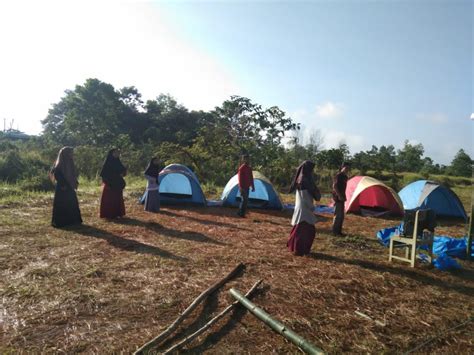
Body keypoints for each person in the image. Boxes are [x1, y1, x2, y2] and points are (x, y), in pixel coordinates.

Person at [287, 160, 321, 255]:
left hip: (303, 207)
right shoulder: (304, 180)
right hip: (304, 208)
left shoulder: (303, 179)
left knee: (301, 230)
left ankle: (297, 248)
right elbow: (304, 196)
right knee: (305, 231)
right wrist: (311, 207)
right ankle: (299, 250)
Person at [50, 147, 82, 228]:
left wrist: (75, 181)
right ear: (65, 154)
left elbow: (72, 174)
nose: (72, 154)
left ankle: (73, 220)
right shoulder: (59, 164)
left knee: (72, 203)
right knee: (62, 204)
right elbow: (57, 174)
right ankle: (62, 222)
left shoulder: (70, 162)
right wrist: (63, 185)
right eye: (70, 153)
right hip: (62, 187)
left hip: (69, 187)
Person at [99, 148, 127, 219]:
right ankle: (109, 214)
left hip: (118, 183)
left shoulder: (118, 162)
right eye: (115, 153)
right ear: (111, 154)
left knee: (117, 199)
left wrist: (123, 173)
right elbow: (103, 174)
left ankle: (117, 213)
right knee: (110, 200)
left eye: (118, 153)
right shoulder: (108, 163)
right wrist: (107, 183)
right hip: (109, 184)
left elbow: (123, 171)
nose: (117, 154)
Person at [332, 162, 350, 236]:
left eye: (348, 168)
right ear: (342, 167)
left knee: (341, 216)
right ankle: (335, 232)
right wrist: (339, 195)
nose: (347, 169)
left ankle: (339, 231)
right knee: (337, 215)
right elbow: (334, 186)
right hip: (338, 197)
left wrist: (343, 196)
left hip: (342, 197)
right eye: (346, 168)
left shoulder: (345, 177)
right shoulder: (339, 175)